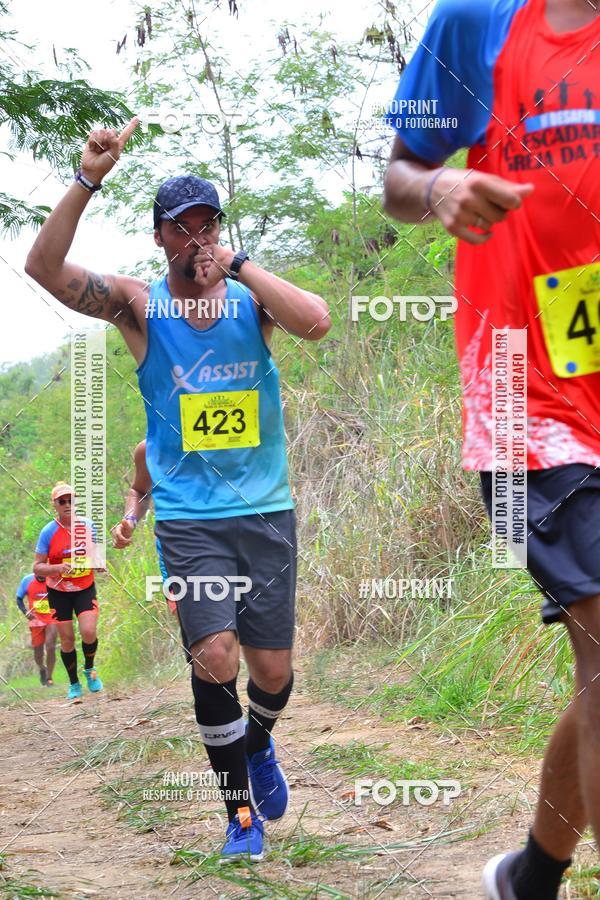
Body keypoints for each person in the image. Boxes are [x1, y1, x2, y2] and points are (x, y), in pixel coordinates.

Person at [24, 121, 331, 861]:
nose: (196, 239)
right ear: (160, 237)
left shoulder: (252, 298)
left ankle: (258, 745)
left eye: (207, 224)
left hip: (267, 511)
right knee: (215, 655)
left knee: (272, 672)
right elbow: (42, 267)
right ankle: (240, 820)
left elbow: (316, 322)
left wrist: (244, 265)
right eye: (181, 228)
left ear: (221, 229)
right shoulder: (140, 306)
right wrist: (87, 178)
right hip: (191, 521)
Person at [383, 1, 600, 897]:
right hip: (522, 393)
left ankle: (534, 874)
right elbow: (400, 176)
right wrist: (437, 191)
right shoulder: (479, 22)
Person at [33, 482, 102, 701]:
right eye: (62, 501)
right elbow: (37, 567)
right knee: (67, 639)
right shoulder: (48, 532)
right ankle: (73, 683)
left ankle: (89, 671)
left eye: (71, 499)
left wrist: (100, 563)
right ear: (54, 504)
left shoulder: (89, 526)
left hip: (84, 588)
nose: (67, 504)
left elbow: (97, 555)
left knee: (89, 631)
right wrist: (57, 568)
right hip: (58, 591)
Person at [112, 438, 178, 617]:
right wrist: (129, 520)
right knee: (195, 628)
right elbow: (140, 490)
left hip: (235, 541)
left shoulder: (226, 439)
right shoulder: (149, 448)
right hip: (174, 549)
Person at [15, 573, 57, 686]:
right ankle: (42, 668)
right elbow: (19, 599)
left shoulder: (54, 578)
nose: (42, 575)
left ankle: (49, 677)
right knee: (38, 652)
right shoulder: (27, 580)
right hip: (36, 619)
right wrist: (25, 612)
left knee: (50, 646)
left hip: (52, 616)